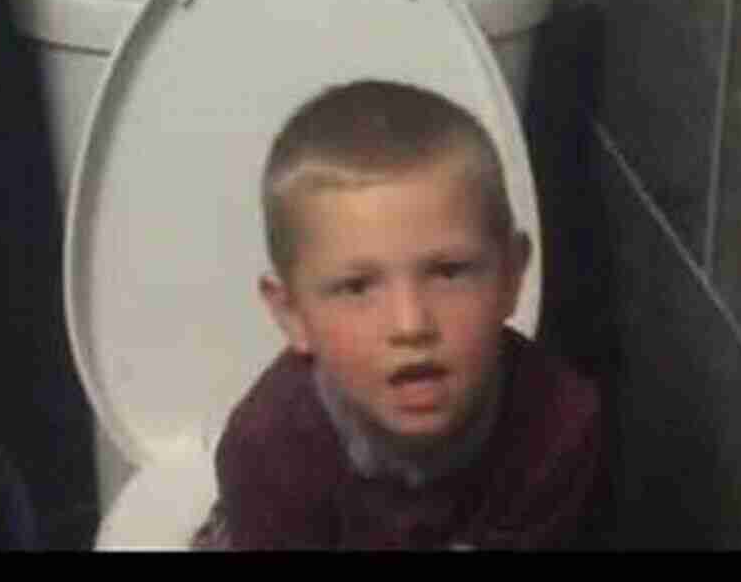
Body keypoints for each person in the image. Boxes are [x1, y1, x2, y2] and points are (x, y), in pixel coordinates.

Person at [191, 80, 608, 550]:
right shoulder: (269, 447)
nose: (411, 325)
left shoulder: (557, 423)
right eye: (356, 287)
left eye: (449, 273)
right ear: (293, 315)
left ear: (512, 277)